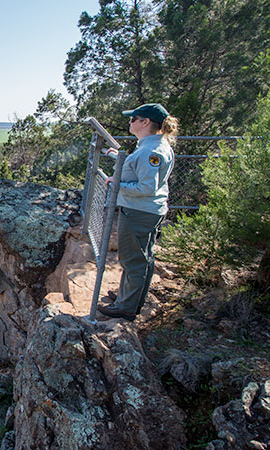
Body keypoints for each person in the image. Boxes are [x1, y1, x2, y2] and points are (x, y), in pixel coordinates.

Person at [98, 103, 179, 321]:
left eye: (134, 118)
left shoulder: (149, 151)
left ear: (145, 122)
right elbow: (138, 170)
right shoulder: (153, 145)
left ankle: (125, 307)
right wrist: (119, 157)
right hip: (149, 211)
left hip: (138, 212)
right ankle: (131, 297)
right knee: (144, 257)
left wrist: (115, 184)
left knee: (133, 259)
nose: (130, 122)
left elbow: (145, 187)